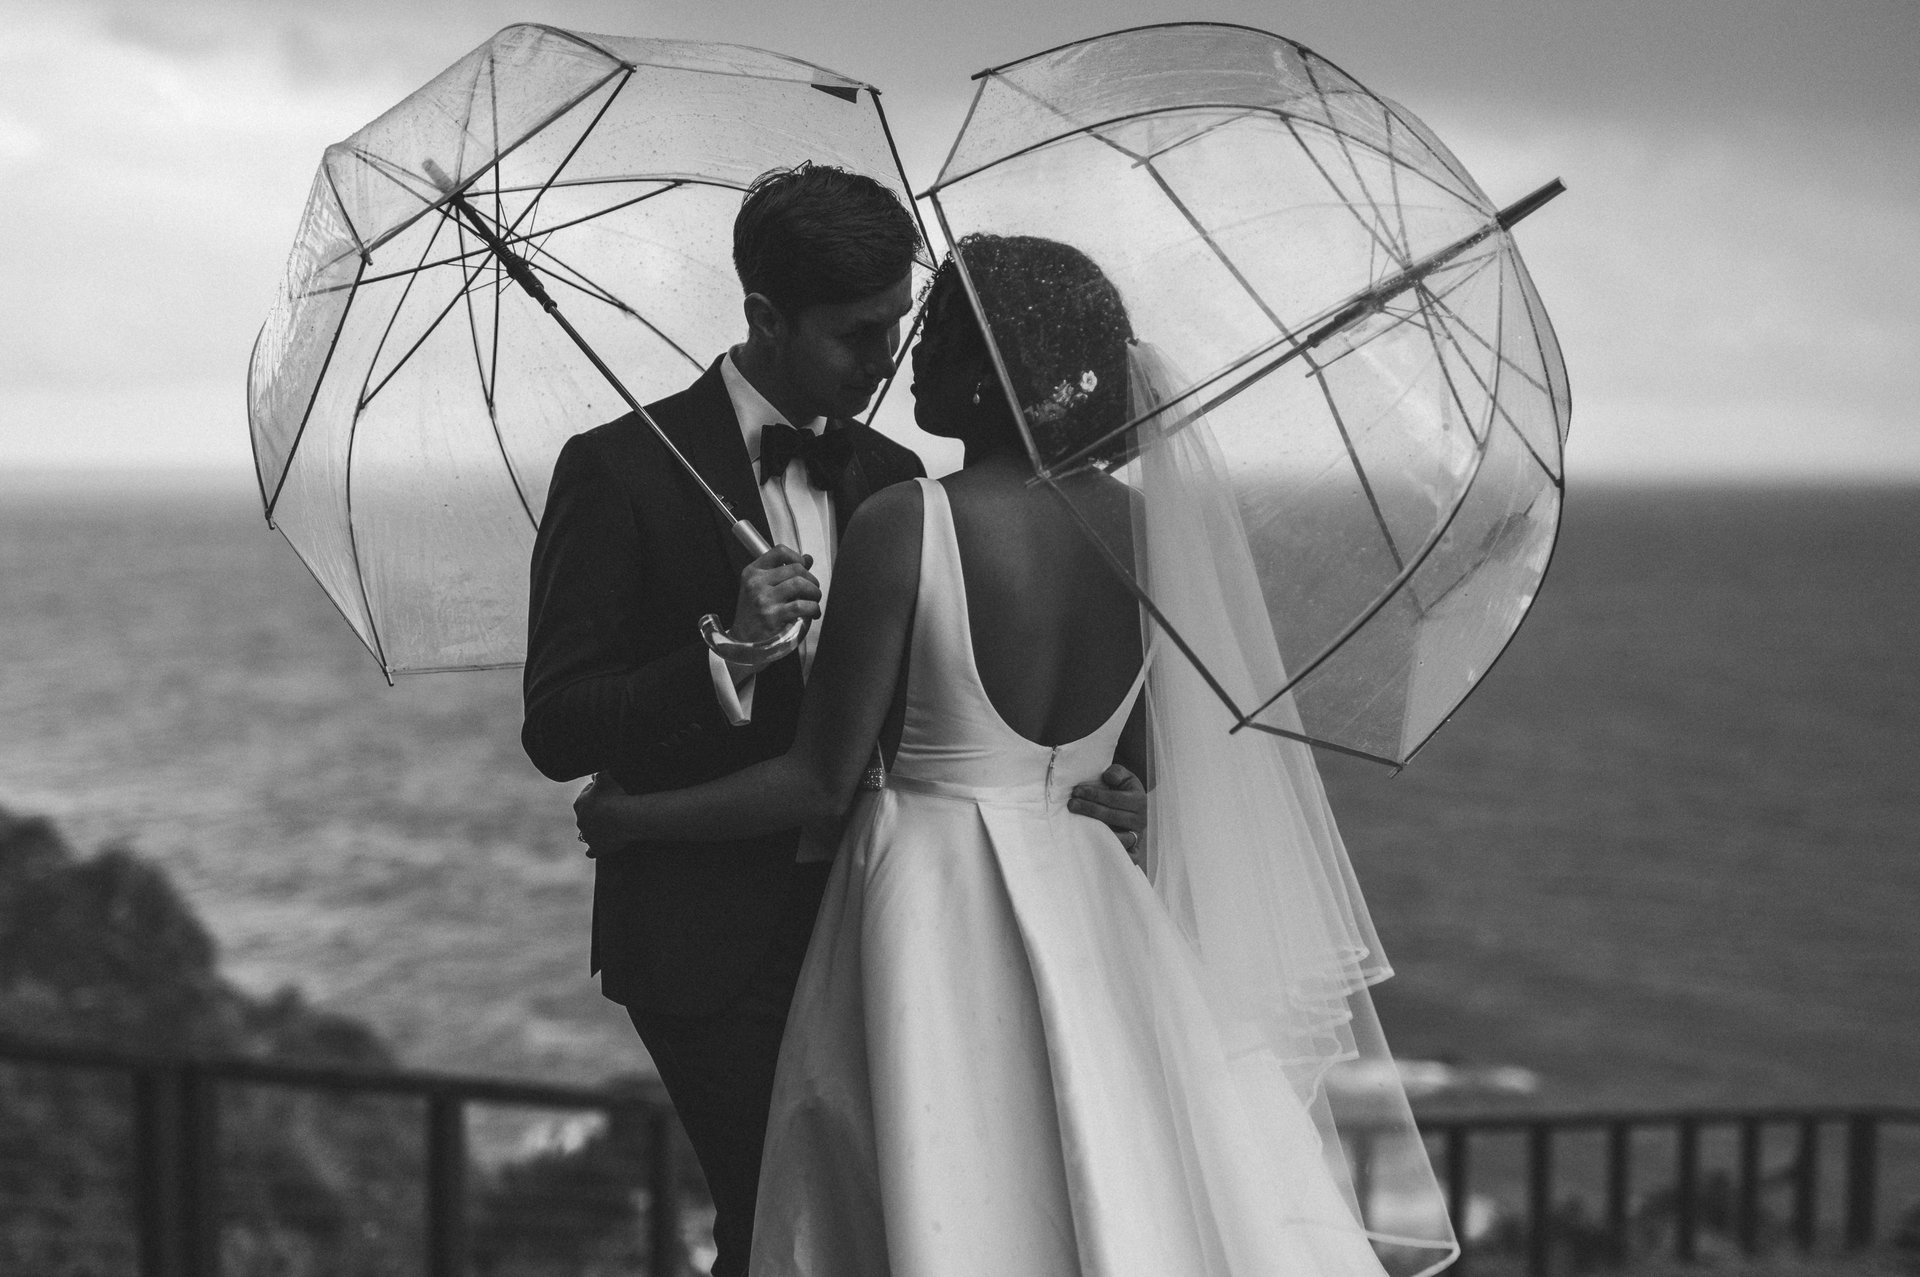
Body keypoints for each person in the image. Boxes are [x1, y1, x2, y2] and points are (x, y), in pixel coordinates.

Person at [574, 234, 1456, 1276]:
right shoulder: (1144, 533)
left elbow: (817, 778)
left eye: (937, 336)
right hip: (1090, 904)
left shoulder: (909, 519)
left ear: (993, 375)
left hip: (925, 906)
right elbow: (1130, 765)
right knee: (1102, 1176)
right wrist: (1121, 794)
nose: (909, 358)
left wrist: (632, 818)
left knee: (933, 1184)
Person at [520, 172, 1147, 1277]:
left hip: (893, 922)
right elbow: (557, 725)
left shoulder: (896, 479)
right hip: (712, 937)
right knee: (773, 1223)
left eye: (900, 327)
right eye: (857, 335)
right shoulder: (616, 472)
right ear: (765, 315)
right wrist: (722, 655)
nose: (885, 364)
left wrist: (1093, 782)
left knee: (880, 1224)